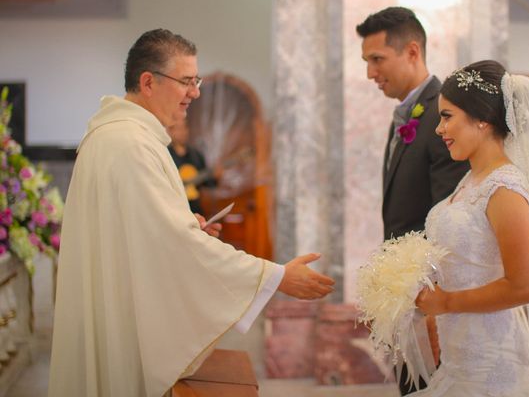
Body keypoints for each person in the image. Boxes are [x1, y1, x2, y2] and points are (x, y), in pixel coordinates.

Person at [48, 29, 335, 397]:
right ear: (148, 82)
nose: (195, 92)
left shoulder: (120, 137)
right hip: (121, 326)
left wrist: (187, 226)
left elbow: (145, 236)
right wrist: (275, 276)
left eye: (195, 80)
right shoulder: (130, 144)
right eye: (186, 81)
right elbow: (174, 243)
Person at [413, 60, 529, 396]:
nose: (439, 129)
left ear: (482, 120)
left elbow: (525, 287)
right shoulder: (470, 181)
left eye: (447, 116)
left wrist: (446, 303)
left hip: (492, 363)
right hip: (460, 355)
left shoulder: (505, 188)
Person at [356, 7, 468, 395]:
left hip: (429, 294)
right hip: (407, 290)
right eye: (367, 62)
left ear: (412, 51)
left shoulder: (444, 113)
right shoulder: (406, 114)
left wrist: (432, 301)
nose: (371, 72)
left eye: (377, 59)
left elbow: (448, 214)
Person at [168, 118, 217, 215]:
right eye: (178, 128)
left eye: (185, 127)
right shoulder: (166, 154)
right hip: (174, 209)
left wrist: (216, 177)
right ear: (170, 131)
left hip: (195, 208)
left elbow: (207, 182)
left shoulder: (196, 155)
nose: (183, 132)